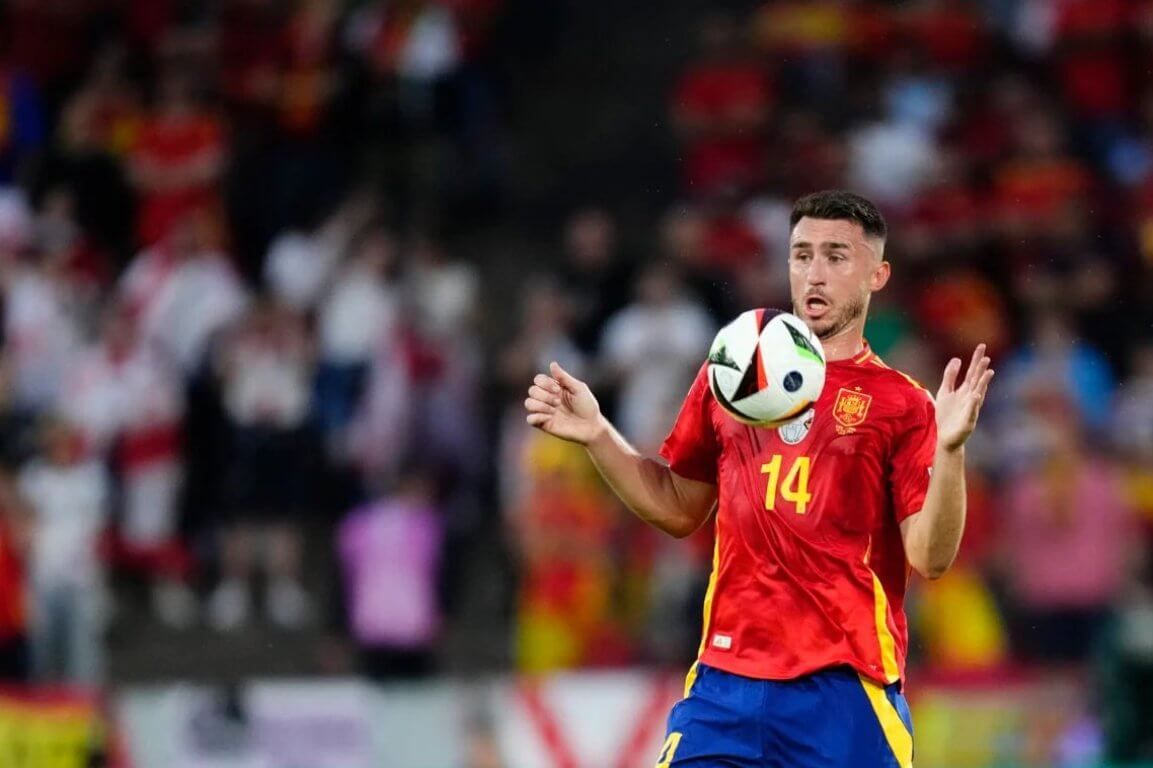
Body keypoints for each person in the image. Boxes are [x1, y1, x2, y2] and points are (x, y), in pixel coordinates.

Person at [524, 190, 994, 767]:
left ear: (878, 274)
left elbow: (931, 557)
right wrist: (600, 433)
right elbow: (677, 506)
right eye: (801, 255)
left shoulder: (901, 403)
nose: (814, 274)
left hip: (844, 689)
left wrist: (950, 451)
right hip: (725, 685)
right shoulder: (734, 370)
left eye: (836, 256)